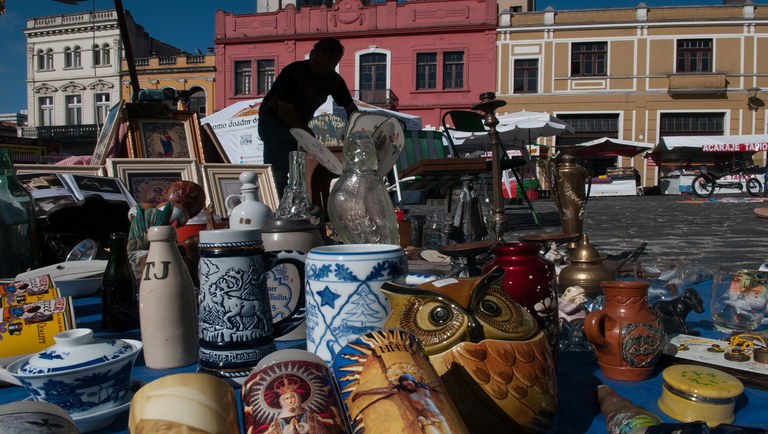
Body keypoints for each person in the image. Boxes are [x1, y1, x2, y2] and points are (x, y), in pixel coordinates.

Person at [258, 37, 358, 198]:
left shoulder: (334, 80)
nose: (318, 69)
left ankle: (303, 200)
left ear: (335, 64)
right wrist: (308, 134)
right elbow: (285, 111)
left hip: (299, 122)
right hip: (274, 121)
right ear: (312, 54)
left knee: (301, 168)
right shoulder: (294, 73)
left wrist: (355, 130)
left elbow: (351, 109)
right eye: (316, 62)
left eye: (325, 66)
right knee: (279, 170)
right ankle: (277, 203)